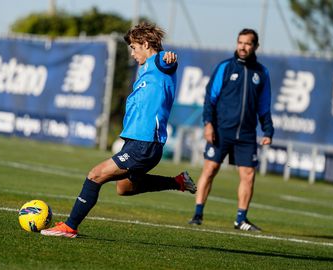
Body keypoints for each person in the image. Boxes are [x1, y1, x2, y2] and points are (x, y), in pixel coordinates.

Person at [41, 22, 197, 238]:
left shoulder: (159, 62)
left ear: (145, 44)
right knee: (124, 189)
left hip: (145, 144)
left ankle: (70, 226)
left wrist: (169, 56)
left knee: (95, 175)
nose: (132, 54)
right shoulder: (146, 69)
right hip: (136, 142)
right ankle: (178, 182)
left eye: (134, 47)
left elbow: (168, 60)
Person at [188, 28, 273, 231]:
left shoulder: (261, 73)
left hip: (246, 134)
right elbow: (210, 98)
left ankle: (240, 219)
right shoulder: (225, 67)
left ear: (255, 46)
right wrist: (208, 124)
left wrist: (268, 130)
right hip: (221, 130)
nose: (243, 47)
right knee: (210, 170)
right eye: (240, 42)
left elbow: (264, 105)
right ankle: (197, 214)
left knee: (248, 175)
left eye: (248, 43)